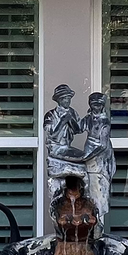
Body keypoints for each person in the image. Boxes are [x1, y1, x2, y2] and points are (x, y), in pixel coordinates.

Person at [43, 84, 85, 214]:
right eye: (64, 98)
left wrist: (70, 119)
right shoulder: (50, 115)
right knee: (82, 159)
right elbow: (52, 134)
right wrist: (62, 121)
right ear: (59, 100)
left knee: (84, 157)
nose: (67, 101)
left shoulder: (72, 112)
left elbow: (78, 130)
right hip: (56, 148)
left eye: (68, 98)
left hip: (66, 147)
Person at [79, 91, 116, 216]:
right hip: (89, 153)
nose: (96, 107)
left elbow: (103, 145)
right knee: (88, 186)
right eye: (94, 105)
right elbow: (78, 127)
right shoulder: (88, 118)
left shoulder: (104, 123)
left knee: (98, 186)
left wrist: (86, 156)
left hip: (99, 157)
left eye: (99, 105)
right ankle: (90, 215)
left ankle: (97, 216)